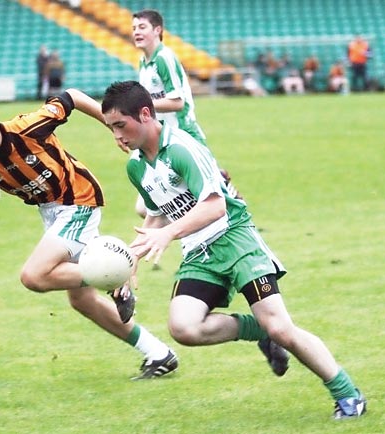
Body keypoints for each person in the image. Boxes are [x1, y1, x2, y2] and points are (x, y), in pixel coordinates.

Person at [101, 80, 367, 419]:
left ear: (144, 114)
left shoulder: (182, 149)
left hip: (236, 240)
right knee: (184, 328)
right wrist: (129, 261)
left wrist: (168, 235)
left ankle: (348, 394)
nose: (117, 137)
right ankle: (261, 332)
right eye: (111, 129)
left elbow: (215, 208)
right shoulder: (136, 166)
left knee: (283, 327)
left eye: (120, 126)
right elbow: (155, 215)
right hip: (200, 252)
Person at [0, 89, 178, 380]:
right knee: (82, 301)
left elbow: (71, 96)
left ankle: (113, 273)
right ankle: (159, 354)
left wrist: (112, 128)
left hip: (78, 200)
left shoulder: (28, 126)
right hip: (51, 212)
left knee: (33, 277)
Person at [131, 9, 236, 217]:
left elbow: (178, 102)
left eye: (142, 27)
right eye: (134, 28)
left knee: (220, 202)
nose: (136, 32)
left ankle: (226, 193)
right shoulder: (144, 63)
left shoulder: (164, 58)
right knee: (146, 209)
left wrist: (142, 106)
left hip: (184, 134)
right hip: (163, 139)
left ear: (157, 30)